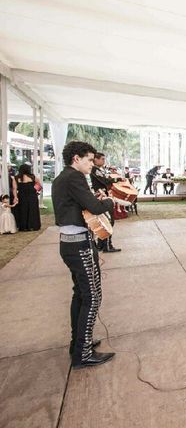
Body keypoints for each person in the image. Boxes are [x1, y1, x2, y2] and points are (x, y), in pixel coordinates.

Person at [52, 141, 116, 369]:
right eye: (89, 159)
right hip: (79, 245)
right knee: (92, 296)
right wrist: (108, 201)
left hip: (69, 243)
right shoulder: (74, 177)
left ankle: (79, 343)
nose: (92, 163)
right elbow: (96, 208)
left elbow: (81, 205)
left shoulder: (62, 178)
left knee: (80, 294)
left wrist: (93, 201)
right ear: (76, 159)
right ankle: (83, 353)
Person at [90, 153, 122, 253]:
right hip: (101, 197)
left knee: (106, 221)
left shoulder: (98, 169)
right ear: (96, 159)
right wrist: (117, 179)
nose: (104, 161)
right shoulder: (95, 169)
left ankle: (101, 244)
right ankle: (107, 246)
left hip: (103, 196)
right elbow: (104, 181)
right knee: (108, 221)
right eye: (102, 159)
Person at [15, 164, 42, 231]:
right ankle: (33, 225)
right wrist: (36, 191)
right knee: (33, 210)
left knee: (23, 211)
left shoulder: (17, 178)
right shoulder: (32, 177)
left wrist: (15, 197)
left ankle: (24, 226)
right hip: (32, 195)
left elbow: (14, 188)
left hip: (22, 196)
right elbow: (39, 185)